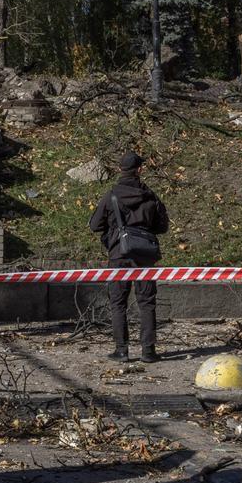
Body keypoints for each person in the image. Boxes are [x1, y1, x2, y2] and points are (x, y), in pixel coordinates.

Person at [88, 151, 170, 363]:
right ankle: (148, 351)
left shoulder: (111, 196)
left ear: (120, 170)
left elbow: (95, 225)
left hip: (118, 254)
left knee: (118, 303)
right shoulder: (151, 196)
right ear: (140, 170)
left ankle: (122, 350)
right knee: (147, 302)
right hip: (145, 256)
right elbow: (162, 226)